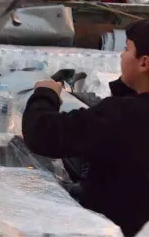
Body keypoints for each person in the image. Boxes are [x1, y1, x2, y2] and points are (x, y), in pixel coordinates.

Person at [22, 19, 149, 237]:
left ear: (144, 63)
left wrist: (46, 94)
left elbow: (42, 133)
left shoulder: (122, 116)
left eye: (126, 49)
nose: (121, 56)